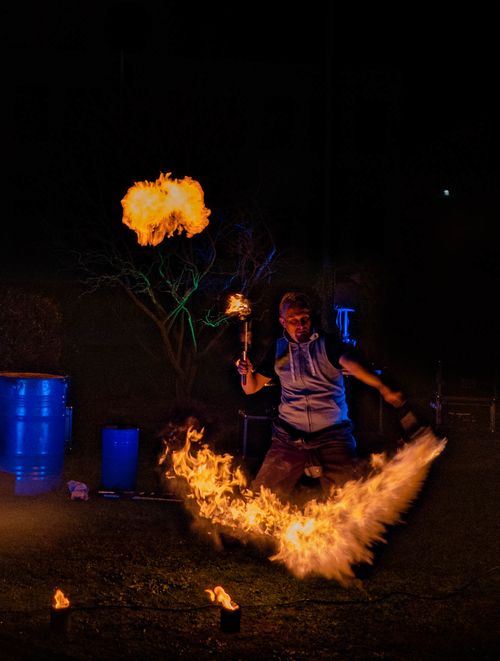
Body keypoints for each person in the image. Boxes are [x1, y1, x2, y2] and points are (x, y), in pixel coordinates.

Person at [236, 291, 408, 500]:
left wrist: (382, 386)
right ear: (283, 322)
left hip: (333, 438)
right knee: (261, 498)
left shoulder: (328, 344)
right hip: (289, 438)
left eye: (304, 319)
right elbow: (251, 388)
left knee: (349, 502)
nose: (301, 325)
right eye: (293, 321)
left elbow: (353, 365)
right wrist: (246, 372)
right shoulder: (279, 351)